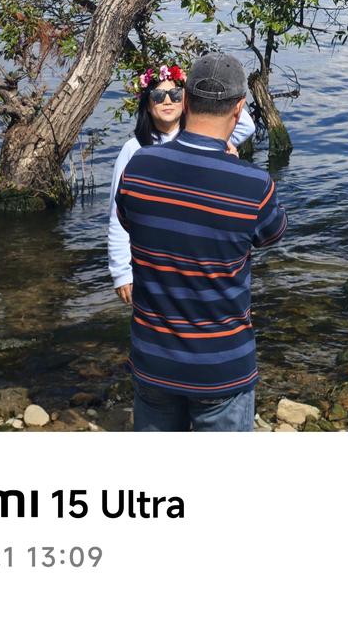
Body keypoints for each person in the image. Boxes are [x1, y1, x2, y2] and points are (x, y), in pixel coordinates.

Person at [116, 51, 287, 432]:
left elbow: (127, 222)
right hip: (221, 364)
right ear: (240, 107)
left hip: (153, 357)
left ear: (186, 100)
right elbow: (272, 233)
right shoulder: (254, 184)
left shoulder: (139, 167)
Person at [107, 62, 256, 303]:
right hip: (153, 254)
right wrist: (122, 272)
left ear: (186, 100)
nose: (167, 101)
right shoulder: (133, 150)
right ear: (147, 102)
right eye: (158, 95)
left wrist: (204, 92)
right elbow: (117, 216)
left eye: (176, 94)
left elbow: (246, 125)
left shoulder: (205, 138)